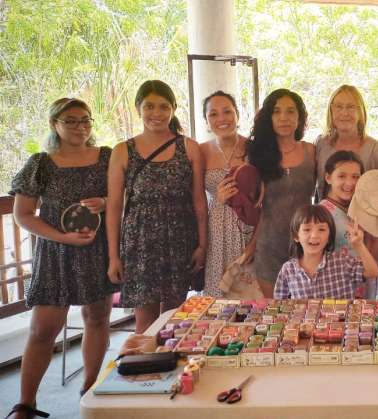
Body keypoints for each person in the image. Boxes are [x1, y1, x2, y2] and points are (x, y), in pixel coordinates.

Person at [7, 98, 116, 418]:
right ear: (54, 123)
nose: (80, 126)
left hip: (98, 249)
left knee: (97, 319)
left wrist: (106, 201)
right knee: (42, 330)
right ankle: (26, 403)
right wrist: (62, 237)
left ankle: (91, 388)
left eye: (85, 120)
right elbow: (23, 215)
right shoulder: (40, 163)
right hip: (56, 254)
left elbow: (125, 196)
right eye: (70, 120)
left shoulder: (107, 157)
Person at [106, 80, 208, 333]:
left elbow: (199, 201)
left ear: (173, 108)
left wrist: (202, 245)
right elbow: (115, 208)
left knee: (174, 319)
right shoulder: (122, 151)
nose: (156, 113)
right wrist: (113, 256)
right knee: (145, 322)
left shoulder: (188, 147)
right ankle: (144, 370)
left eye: (163, 106)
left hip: (179, 239)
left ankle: (169, 371)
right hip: (140, 243)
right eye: (149, 106)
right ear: (138, 108)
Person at [249, 89, 316, 296]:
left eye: (290, 111)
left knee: (304, 312)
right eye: (277, 112)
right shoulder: (256, 154)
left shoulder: (311, 151)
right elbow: (250, 204)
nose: (284, 118)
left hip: (306, 244)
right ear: (269, 118)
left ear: (300, 117)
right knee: (272, 312)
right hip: (269, 245)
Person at [198, 90, 260, 297]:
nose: (221, 119)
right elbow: (195, 200)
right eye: (213, 114)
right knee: (217, 302)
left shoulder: (255, 148)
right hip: (216, 233)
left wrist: (253, 245)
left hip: (249, 231)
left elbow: (266, 202)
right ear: (206, 120)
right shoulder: (200, 151)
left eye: (227, 111)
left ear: (237, 115)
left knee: (250, 299)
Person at [318, 150, 378, 298]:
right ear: (328, 178)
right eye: (341, 176)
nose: (350, 183)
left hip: (361, 290)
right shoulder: (320, 214)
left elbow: (372, 256)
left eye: (356, 177)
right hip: (332, 294)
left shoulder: (363, 210)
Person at [274, 204, 378, 299]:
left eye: (321, 229)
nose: (314, 235)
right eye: (307, 229)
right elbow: (279, 306)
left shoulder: (343, 261)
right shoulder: (288, 270)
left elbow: (373, 272)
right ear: (296, 236)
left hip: (341, 320)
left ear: (329, 236)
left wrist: (359, 245)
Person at [314, 85, 378, 201]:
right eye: (339, 107)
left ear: (361, 112)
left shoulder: (375, 150)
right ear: (331, 110)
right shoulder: (321, 144)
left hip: (362, 218)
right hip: (324, 217)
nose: (344, 113)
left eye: (350, 107)